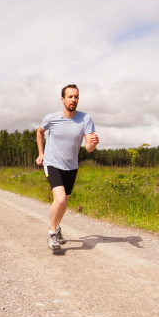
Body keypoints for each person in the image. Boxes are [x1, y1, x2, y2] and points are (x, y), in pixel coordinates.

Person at [35, 84, 99, 251]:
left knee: (64, 203)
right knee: (60, 198)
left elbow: (88, 148)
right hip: (52, 163)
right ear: (63, 99)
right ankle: (52, 233)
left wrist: (93, 144)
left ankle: (57, 228)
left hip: (71, 166)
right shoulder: (51, 118)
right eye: (70, 97)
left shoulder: (85, 119)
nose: (74, 100)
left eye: (76, 96)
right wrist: (41, 154)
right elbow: (39, 132)